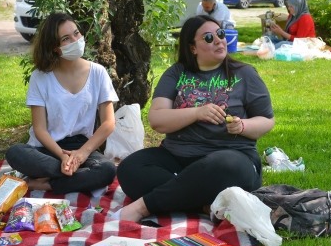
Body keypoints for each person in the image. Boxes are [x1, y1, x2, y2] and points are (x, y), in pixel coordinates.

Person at [116, 15, 275, 223]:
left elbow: (266, 120)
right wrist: (196, 112)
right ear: (193, 48)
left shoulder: (245, 74)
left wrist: (242, 125)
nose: (218, 40)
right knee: (130, 168)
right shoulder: (176, 73)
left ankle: (145, 207)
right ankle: (202, 204)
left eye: (220, 34)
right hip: (178, 158)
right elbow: (157, 119)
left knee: (227, 166)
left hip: (229, 160)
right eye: (209, 37)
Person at [5, 12, 117, 195]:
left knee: (107, 170)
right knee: (15, 153)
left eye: (76, 33)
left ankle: (43, 184)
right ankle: (74, 175)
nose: (75, 40)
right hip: (47, 149)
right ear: (55, 47)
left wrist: (81, 154)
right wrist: (62, 156)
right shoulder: (40, 77)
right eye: (66, 38)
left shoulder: (98, 73)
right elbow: (40, 129)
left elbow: (108, 123)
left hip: (82, 146)